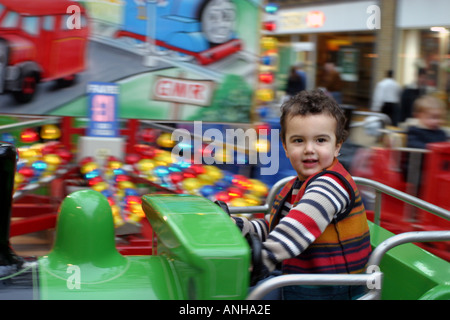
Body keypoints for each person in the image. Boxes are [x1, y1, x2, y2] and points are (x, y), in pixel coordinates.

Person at [233, 90, 372, 300]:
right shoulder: (295, 185)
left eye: (320, 140)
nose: (309, 149)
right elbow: (277, 226)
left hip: (331, 290)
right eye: (298, 140)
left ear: (337, 147)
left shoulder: (331, 185)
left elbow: (298, 226)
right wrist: (240, 226)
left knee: (243, 298)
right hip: (301, 278)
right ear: (285, 147)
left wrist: (264, 258)